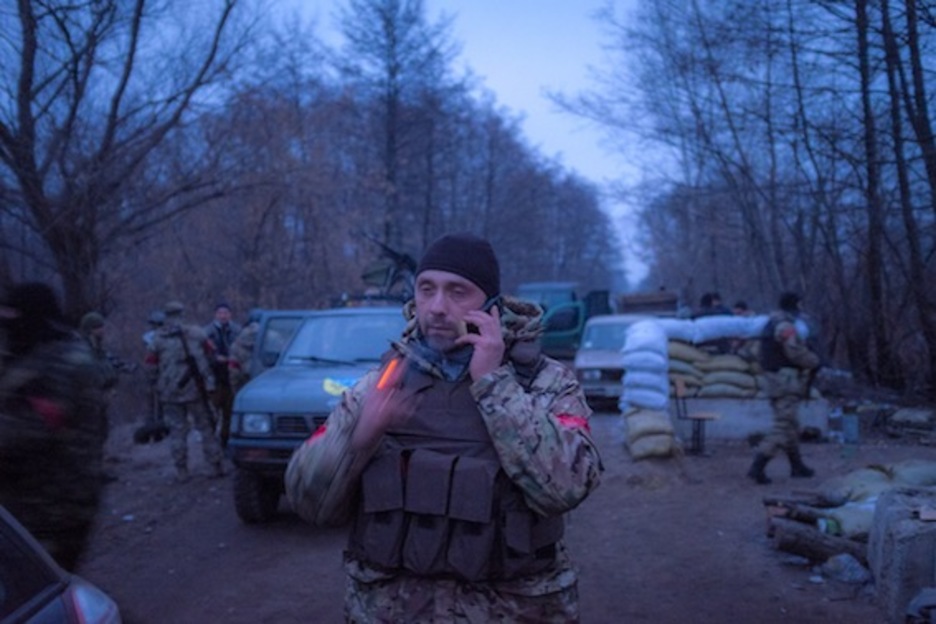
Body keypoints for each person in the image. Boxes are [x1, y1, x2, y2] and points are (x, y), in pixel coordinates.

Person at [285, 232, 603, 622]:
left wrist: (494, 386)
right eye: (426, 289)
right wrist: (356, 442)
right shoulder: (383, 383)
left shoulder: (545, 384)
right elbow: (307, 501)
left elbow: (567, 487)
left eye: (457, 292)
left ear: (491, 306)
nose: (437, 307)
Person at [0, 283, 107, 571]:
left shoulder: (66, 361)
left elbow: (28, 431)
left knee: (48, 588)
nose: (8, 324)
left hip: (58, 506)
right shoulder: (28, 351)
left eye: (13, 315)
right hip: (24, 504)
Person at [747, 292, 821, 485]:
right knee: (784, 425)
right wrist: (813, 361)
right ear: (795, 305)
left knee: (791, 425)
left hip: (776, 380)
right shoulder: (785, 326)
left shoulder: (771, 322)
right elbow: (794, 352)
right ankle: (758, 465)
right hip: (785, 381)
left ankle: (797, 466)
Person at [145, 300, 223, 482]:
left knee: (177, 431)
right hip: (197, 389)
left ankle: (182, 470)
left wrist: (156, 385)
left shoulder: (157, 338)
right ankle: (215, 465)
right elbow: (212, 353)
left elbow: (150, 366)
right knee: (206, 427)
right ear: (182, 313)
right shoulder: (197, 333)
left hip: (170, 392)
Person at [204, 303, 241, 447]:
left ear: (230, 315)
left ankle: (225, 442)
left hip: (232, 378)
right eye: (220, 313)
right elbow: (202, 354)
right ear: (215, 315)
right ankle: (211, 444)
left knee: (229, 414)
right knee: (212, 413)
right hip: (213, 378)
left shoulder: (237, 331)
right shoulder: (206, 332)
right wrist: (215, 359)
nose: (223, 316)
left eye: (226, 313)